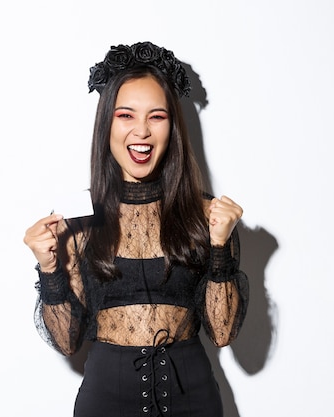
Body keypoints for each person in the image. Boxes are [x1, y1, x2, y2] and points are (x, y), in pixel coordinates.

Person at [24, 41, 249, 417]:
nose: (141, 131)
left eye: (156, 116)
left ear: (172, 127)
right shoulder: (77, 220)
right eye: (126, 115)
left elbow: (223, 333)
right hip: (105, 402)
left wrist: (220, 245)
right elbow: (66, 342)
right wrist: (49, 268)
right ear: (107, 124)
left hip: (193, 401)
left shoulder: (206, 214)